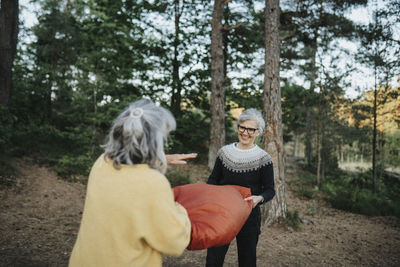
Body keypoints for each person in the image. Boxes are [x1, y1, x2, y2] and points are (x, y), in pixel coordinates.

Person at [69, 99, 196, 267]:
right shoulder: (153, 183)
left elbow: (129, 169)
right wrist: (180, 210)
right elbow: (175, 242)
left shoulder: (102, 163)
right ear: (155, 141)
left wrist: (161, 159)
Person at [205, 108, 275, 267]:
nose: (245, 132)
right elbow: (213, 179)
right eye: (242, 127)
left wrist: (259, 198)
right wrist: (210, 198)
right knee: (213, 260)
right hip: (222, 214)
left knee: (247, 260)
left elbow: (270, 190)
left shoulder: (263, 158)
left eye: (251, 129)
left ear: (258, 132)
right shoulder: (224, 153)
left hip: (249, 216)